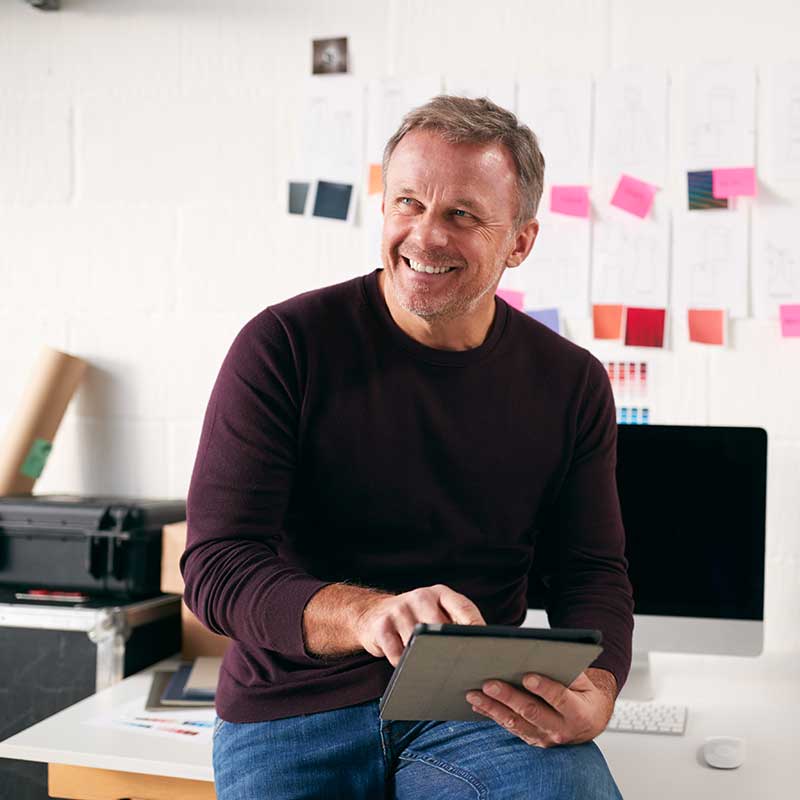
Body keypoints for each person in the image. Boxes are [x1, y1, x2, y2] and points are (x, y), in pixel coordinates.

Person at [181, 95, 634, 800]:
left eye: (462, 213)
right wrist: (365, 614)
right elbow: (216, 567)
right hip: (292, 710)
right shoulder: (283, 347)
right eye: (408, 204)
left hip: (475, 705)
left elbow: (591, 571)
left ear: (519, 240)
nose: (425, 237)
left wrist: (600, 690)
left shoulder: (571, 382)